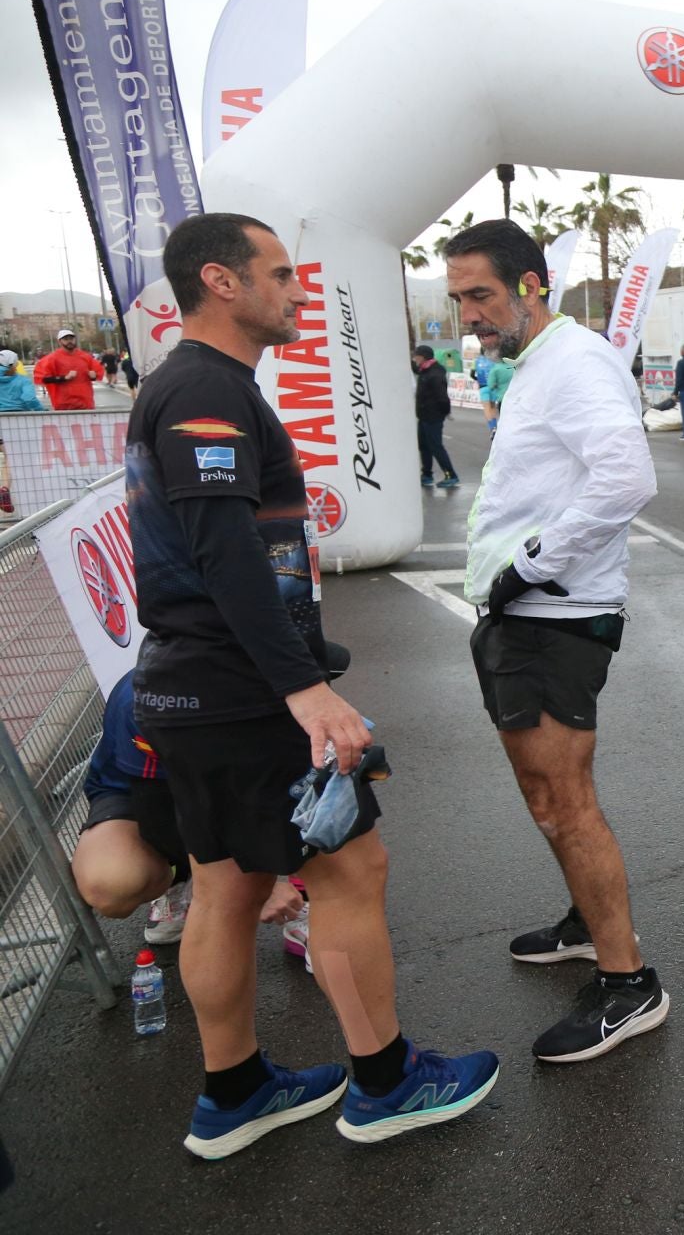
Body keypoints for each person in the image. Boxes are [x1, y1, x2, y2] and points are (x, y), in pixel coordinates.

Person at [127, 212, 497, 1158]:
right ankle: (385, 1083)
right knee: (349, 871)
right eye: (281, 274)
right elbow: (223, 552)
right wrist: (302, 688)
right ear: (221, 281)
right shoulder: (204, 390)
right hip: (240, 690)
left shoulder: (195, 386)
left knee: (224, 890)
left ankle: (236, 1092)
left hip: (193, 686)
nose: (296, 292)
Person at [449, 218, 668, 1063]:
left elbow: (627, 478)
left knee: (564, 802)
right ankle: (587, 924)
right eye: (460, 296)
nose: (470, 313)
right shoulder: (536, 362)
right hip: (523, 617)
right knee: (548, 801)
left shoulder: (573, 361)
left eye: (482, 295)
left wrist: (532, 565)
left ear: (532, 285)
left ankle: (627, 983)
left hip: (553, 618)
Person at [75, 670, 317, 965]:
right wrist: (250, 881)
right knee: (111, 885)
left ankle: (307, 899)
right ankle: (184, 884)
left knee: (307, 779)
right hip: (149, 795)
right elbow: (161, 818)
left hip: (232, 776)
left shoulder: (265, 666)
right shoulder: (146, 700)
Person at [412, 345, 458, 488]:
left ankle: (451, 475)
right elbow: (413, 368)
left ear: (424, 356)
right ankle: (426, 475)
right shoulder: (424, 370)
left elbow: (442, 397)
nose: (414, 359)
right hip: (423, 416)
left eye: (416, 356)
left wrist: (446, 412)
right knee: (424, 446)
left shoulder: (435, 373)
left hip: (433, 416)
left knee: (436, 446)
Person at [34, 328, 103, 410]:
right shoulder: (52, 358)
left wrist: (93, 376)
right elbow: (43, 378)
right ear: (59, 342)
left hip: (85, 402)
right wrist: (64, 378)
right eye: (66, 339)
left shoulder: (85, 357)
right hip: (64, 403)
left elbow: (98, 372)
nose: (69, 341)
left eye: (71, 339)